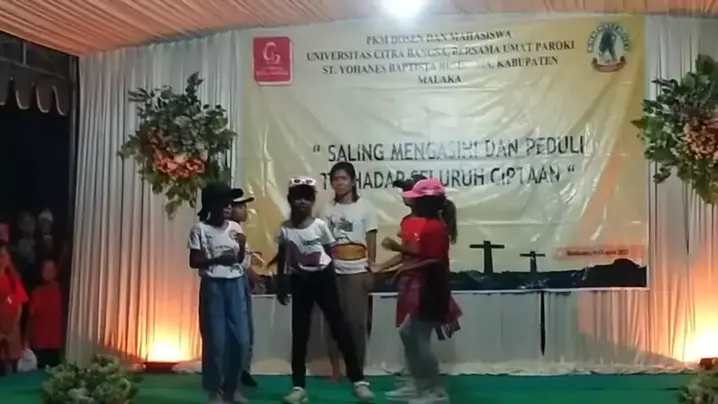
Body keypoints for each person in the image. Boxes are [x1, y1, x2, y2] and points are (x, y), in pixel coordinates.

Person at [275, 176, 374, 404]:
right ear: (290, 200)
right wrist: (282, 282)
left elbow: (330, 252)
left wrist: (328, 278)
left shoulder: (319, 226)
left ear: (312, 201)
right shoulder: (285, 229)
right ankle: (298, 386)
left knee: (340, 327)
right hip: (299, 282)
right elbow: (283, 257)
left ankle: (358, 380)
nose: (302, 202)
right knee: (300, 333)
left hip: (323, 280)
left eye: (307, 198)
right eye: (297, 198)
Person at [375, 178, 461, 404]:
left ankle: (435, 390)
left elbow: (435, 260)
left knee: (418, 337)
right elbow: (420, 255)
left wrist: (405, 266)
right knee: (408, 334)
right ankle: (420, 385)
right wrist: (400, 266)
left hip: (431, 288)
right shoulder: (427, 224)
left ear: (427, 203)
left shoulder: (435, 227)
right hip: (425, 286)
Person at [188, 183, 251, 404]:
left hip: (235, 284)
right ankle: (214, 391)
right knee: (216, 341)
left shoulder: (235, 227)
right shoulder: (200, 229)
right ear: (211, 205)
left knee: (241, 340)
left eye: (230, 203)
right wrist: (216, 260)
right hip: (213, 286)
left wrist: (241, 248)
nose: (228, 207)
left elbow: (239, 259)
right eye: (223, 203)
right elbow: (194, 261)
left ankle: (232, 388)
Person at [321, 162, 377, 381]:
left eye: (344, 178)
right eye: (335, 179)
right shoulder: (326, 210)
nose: (339, 183)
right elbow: (321, 241)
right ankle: (335, 370)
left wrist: (370, 269)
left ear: (353, 182)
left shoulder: (366, 208)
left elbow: (371, 239)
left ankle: (357, 369)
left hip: (358, 270)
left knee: (356, 323)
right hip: (333, 270)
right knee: (333, 321)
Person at [229, 193, 260, 389]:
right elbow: (236, 260)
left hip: (243, 280)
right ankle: (236, 370)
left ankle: (243, 369)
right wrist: (248, 273)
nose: (244, 210)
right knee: (240, 327)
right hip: (234, 280)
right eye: (239, 207)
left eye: (244, 207)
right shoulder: (230, 231)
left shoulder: (239, 229)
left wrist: (251, 274)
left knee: (248, 327)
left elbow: (244, 260)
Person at [28, 259, 62, 369]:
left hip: (55, 344)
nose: (47, 273)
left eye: (50, 270)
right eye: (45, 270)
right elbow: (30, 318)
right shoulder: (36, 292)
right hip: (39, 343)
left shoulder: (63, 292)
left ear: (55, 272)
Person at [0, 241, 28, 376]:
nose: (1, 259)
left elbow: (19, 306)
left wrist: (11, 330)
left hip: (12, 339)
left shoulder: (13, 280)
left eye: (3, 255)